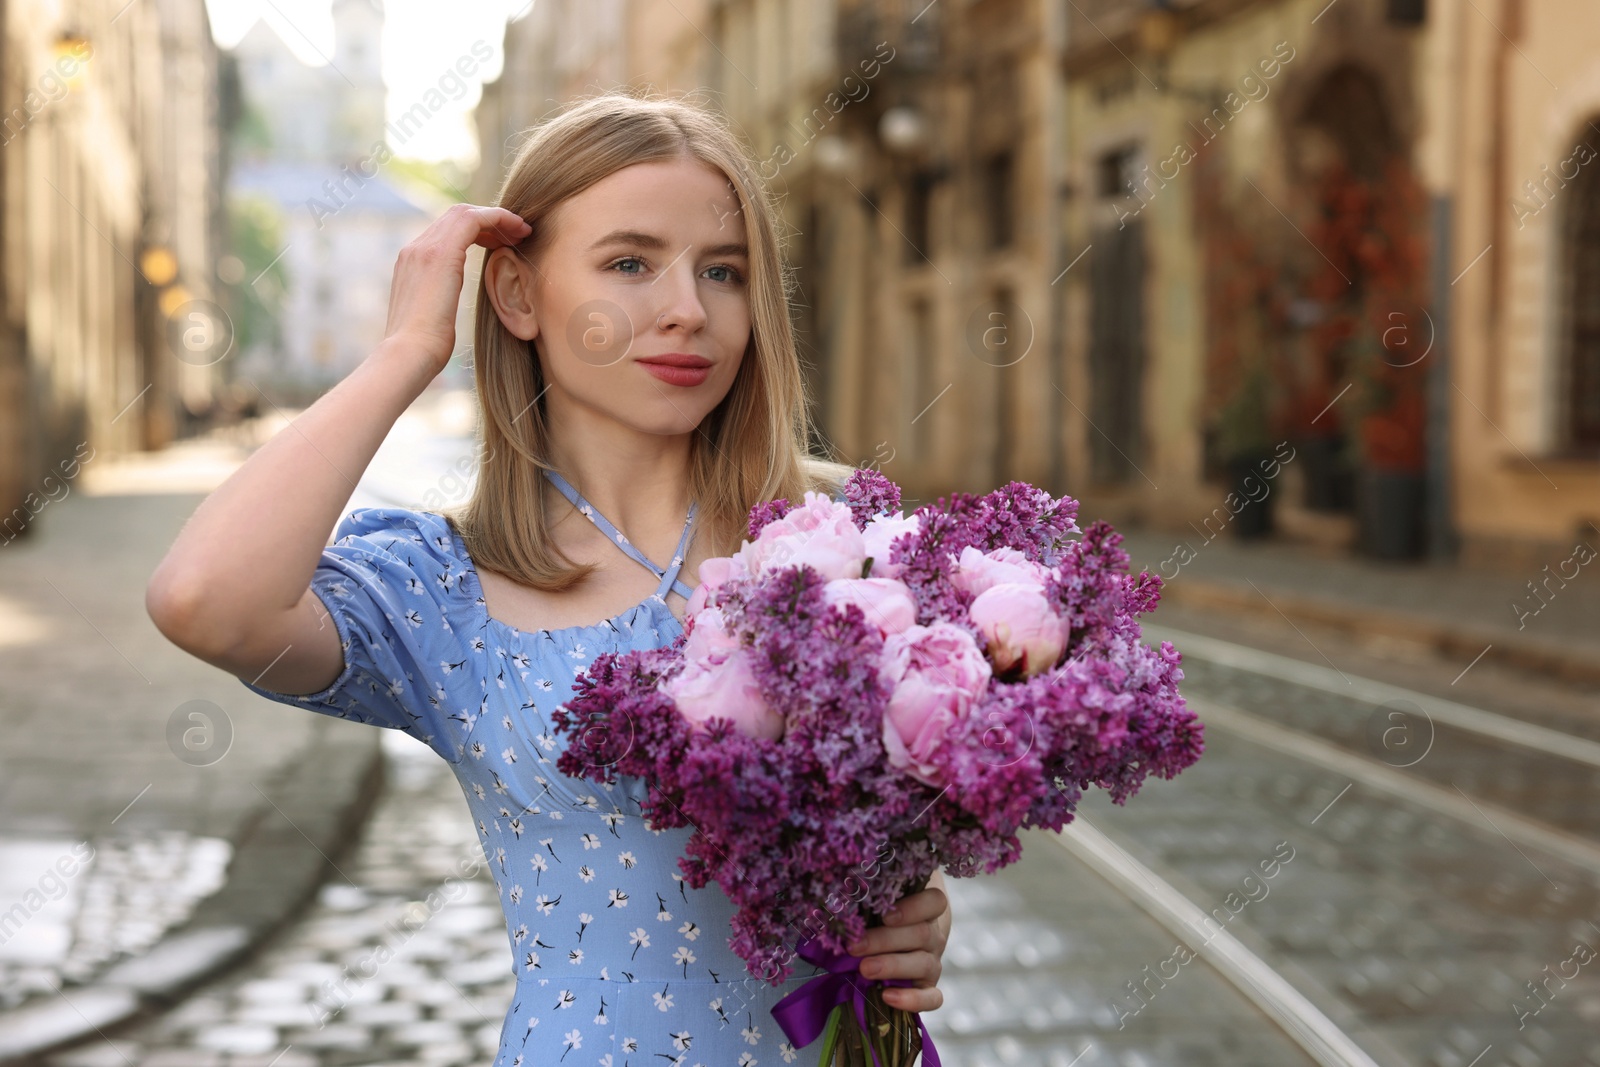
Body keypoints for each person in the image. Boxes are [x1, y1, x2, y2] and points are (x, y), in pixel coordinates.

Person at [147, 91, 950, 1065]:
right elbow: (203, 599)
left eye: (723, 271)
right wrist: (404, 353)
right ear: (518, 296)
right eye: (629, 263)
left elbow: (898, 817)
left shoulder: (846, 544)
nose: (688, 309)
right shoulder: (443, 587)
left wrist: (903, 908)